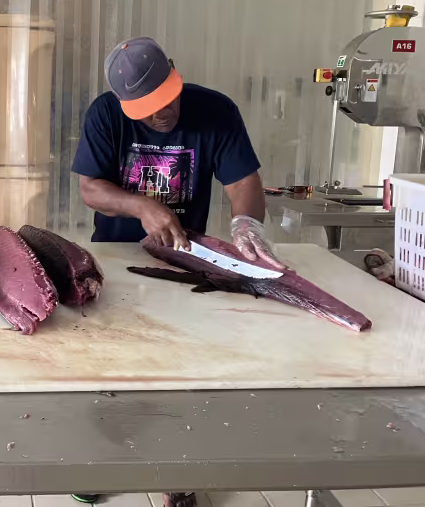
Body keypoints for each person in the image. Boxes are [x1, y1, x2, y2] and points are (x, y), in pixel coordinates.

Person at [69, 37, 283, 507]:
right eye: (145, 109)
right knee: (112, 368)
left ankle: (178, 474)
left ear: (174, 71)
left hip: (185, 257)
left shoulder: (216, 111)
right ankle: (100, 458)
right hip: (118, 260)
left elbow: (243, 181)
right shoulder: (105, 114)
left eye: (166, 100)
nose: (160, 115)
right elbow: (90, 188)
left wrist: (247, 223)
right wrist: (140, 205)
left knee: (181, 366)